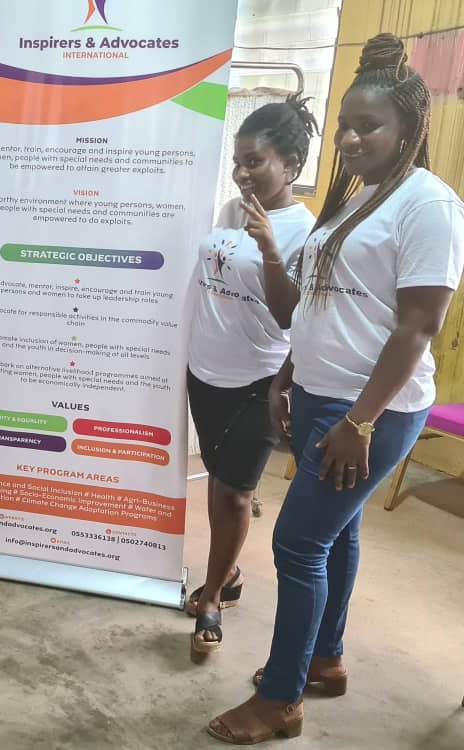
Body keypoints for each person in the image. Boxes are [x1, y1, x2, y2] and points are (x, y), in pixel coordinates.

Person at [208, 34, 464, 744]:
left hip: (369, 409)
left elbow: (418, 326)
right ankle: (324, 659)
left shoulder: (430, 206)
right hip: (321, 394)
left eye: (368, 125)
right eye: (345, 124)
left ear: (408, 128)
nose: (350, 138)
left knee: (297, 544)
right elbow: (322, 303)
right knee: (336, 532)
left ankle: (281, 701)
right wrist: (288, 375)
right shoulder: (359, 200)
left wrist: (360, 421)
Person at [186, 98, 318, 662]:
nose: (243, 174)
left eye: (255, 162)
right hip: (204, 371)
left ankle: (213, 597)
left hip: (257, 381)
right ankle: (230, 571)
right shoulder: (229, 209)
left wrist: (268, 248)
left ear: (291, 165)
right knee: (217, 479)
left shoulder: (305, 232)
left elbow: (291, 317)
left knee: (237, 493)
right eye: (239, 162)